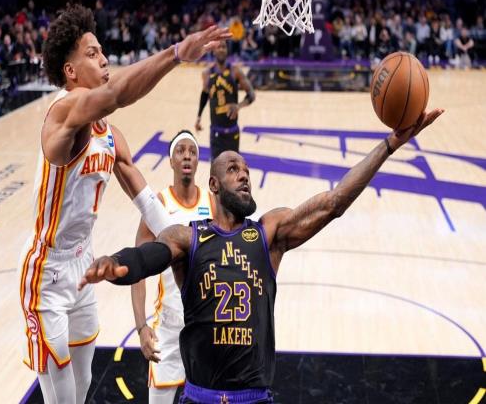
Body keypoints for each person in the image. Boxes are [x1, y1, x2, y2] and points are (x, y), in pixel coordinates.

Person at [79, 107, 444, 403]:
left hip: (253, 398)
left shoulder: (268, 234)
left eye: (247, 171)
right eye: (233, 169)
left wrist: (389, 145)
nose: (244, 176)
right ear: (213, 184)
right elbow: (149, 257)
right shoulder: (189, 238)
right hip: (200, 396)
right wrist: (118, 263)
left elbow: (332, 203)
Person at [17, 4, 230, 404]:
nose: (104, 59)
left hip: (82, 263)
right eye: (92, 53)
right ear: (70, 71)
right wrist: (176, 54)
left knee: (83, 383)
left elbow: (148, 203)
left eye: (102, 50)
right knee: (62, 398)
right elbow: (115, 95)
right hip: (46, 273)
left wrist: (192, 248)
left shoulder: (110, 135)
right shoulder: (63, 114)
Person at [131, 130, 216, 403]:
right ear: (171, 160)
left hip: (205, 325)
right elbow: (137, 270)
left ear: (198, 160)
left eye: (192, 151)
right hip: (168, 327)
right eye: (181, 151)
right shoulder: (159, 205)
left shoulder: (212, 203)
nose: (187, 156)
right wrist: (141, 327)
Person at [195, 41, 255, 160]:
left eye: (224, 47)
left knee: (233, 168)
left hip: (232, 131)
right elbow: (205, 94)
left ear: (227, 50)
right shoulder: (207, 73)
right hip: (216, 132)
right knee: (216, 168)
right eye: (218, 47)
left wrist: (239, 106)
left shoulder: (235, 71)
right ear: (213, 51)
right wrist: (199, 117)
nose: (221, 49)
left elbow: (251, 95)